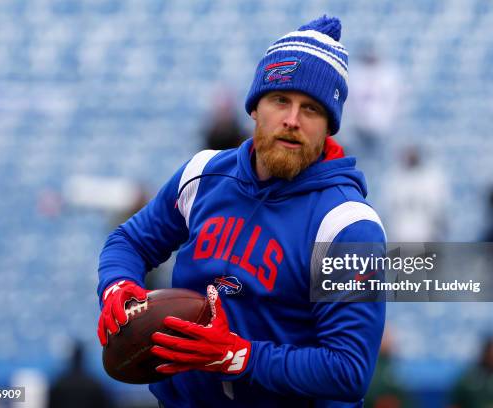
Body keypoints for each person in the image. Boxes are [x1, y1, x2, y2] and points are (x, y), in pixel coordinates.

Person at [97, 16, 386, 407]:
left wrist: (238, 356)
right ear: (255, 107)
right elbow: (129, 241)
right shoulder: (203, 174)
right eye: (281, 99)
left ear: (329, 128)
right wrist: (116, 285)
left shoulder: (347, 225)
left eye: (312, 109)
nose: (292, 120)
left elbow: (347, 370)